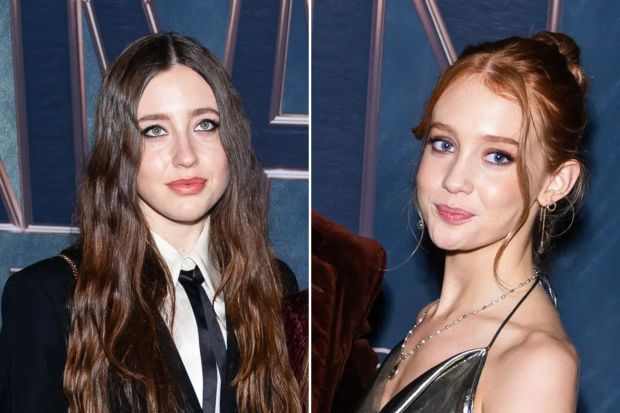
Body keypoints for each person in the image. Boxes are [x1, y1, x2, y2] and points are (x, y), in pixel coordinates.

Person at [0, 33, 303, 413]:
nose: (186, 155)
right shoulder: (49, 297)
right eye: (155, 131)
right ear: (119, 149)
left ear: (232, 141)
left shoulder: (274, 285)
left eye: (205, 125)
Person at [357, 31, 587, 412]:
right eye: (443, 144)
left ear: (555, 182)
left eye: (497, 156)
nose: (454, 180)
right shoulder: (432, 318)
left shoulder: (536, 364)